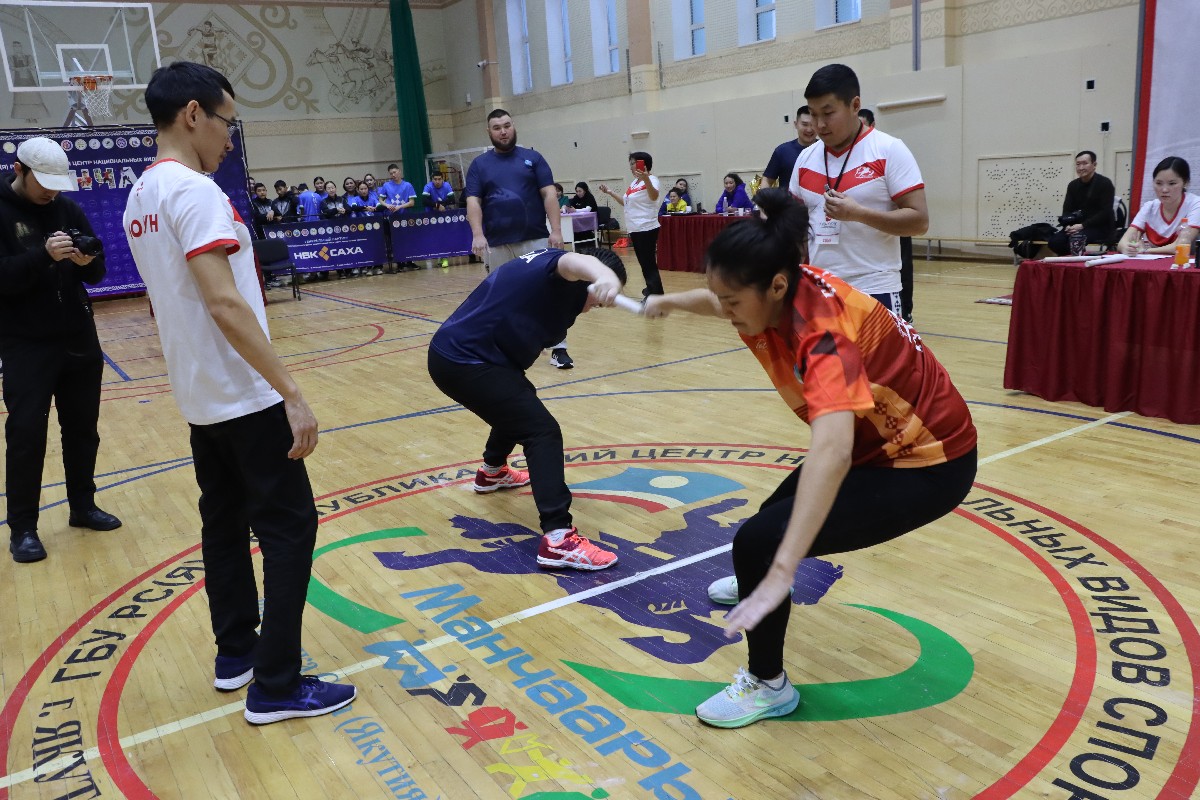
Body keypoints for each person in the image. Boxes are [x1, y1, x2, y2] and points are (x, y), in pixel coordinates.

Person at [642, 189, 977, 728]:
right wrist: (671, 302)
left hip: (927, 463)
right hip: (878, 443)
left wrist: (782, 571)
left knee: (761, 544)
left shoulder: (823, 335)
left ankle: (768, 685)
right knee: (768, 524)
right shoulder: (782, 284)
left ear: (776, 286)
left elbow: (833, 449)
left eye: (733, 304)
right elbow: (721, 297)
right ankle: (763, 580)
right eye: (721, 299)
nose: (726, 312)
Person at [123, 60, 356, 724]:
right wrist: (291, 391)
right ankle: (277, 684)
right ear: (193, 114)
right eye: (227, 121)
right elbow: (224, 303)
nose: (230, 137)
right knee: (290, 530)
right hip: (244, 396)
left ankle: (237, 655)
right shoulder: (193, 192)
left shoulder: (141, 196)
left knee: (223, 525)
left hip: (200, 396)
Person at [427, 246, 626, 570]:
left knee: (519, 403)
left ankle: (493, 472)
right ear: (588, 280)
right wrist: (605, 276)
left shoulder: (557, 286)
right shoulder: (559, 268)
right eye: (598, 297)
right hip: (464, 361)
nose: (597, 305)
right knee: (542, 431)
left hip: (465, 357)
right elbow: (575, 261)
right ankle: (559, 539)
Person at [0, 135, 122, 563]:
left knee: (83, 430)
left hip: (78, 339)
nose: (51, 193)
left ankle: (83, 506)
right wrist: (43, 255)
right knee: (26, 434)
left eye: (57, 184)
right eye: (44, 184)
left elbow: (97, 272)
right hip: (25, 344)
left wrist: (88, 263)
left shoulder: (67, 208)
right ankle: (23, 529)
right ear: (19, 170)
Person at [789, 64, 928, 319]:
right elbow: (796, 228)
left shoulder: (889, 150)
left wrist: (859, 214)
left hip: (875, 289)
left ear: (855, 105)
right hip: (820, 290)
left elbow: (919, 221)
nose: (819, 124)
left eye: (828, 113)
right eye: (813, 114)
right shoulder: (805, 160)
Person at [465, 108, 569, 367]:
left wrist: (556, 230)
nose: (503, 131)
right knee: (500, 296)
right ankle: (507, 348)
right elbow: (473, 201)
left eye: (507, 125)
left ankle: (559, 348)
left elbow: (549, 194)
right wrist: (477, 234)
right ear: (489, 132)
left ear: (513, 126)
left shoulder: (533, 158)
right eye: (497, 127)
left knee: (547, 292)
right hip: (497, 244)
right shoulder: (479, 165)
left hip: (534, 239)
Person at [858, 106, 915, 322]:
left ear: (872, 126)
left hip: (890, 227)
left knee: (903, 266)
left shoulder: (888, 149)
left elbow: (917, 214)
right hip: (858, 245)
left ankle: (906, 311)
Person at [598, 151, 665, 297]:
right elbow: (626, 202)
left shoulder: (652, 179)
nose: (631, 167)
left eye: (634, 163)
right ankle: (651, 288)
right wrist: (610, 192)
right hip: (635, 228)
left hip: (646, 227)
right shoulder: (634, 183)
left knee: (648, 262)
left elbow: (654, 196)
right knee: (643, 262)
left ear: (643, 163)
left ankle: (656, 294)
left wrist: (646, 179)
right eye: (631, 164)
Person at [1117, 156, 1200, 256]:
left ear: (1185, 182)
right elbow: (1122, 243)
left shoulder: (1195, 204)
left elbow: (1179, 246)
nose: (1164, 190)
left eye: (1172, 183)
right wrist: (1128, 248)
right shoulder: (1149, 207)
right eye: (1159, 183)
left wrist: (1146, 250)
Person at [1046, 151, 1118, 256]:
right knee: (1054, 242)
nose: (1081, 168)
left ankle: (1075, 262)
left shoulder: (1105, 183)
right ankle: (1071, 261)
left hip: (1099, 227)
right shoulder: (1073, 185)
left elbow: (1105, 212)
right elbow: (1067, 210)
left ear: (1094, 165)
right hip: (1076, 226)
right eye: (1078, 164)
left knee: (1074, 241)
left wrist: (1083, 225)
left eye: (1085, 163)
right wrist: (1067, 225)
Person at [761, 105, 817, 189]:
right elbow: (767, 180)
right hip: (788, 198)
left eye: (813, 124)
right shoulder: (782, 151)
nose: (809, 129)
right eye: (805, 124)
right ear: (796, 124)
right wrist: (763, 196)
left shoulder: (827, 149)